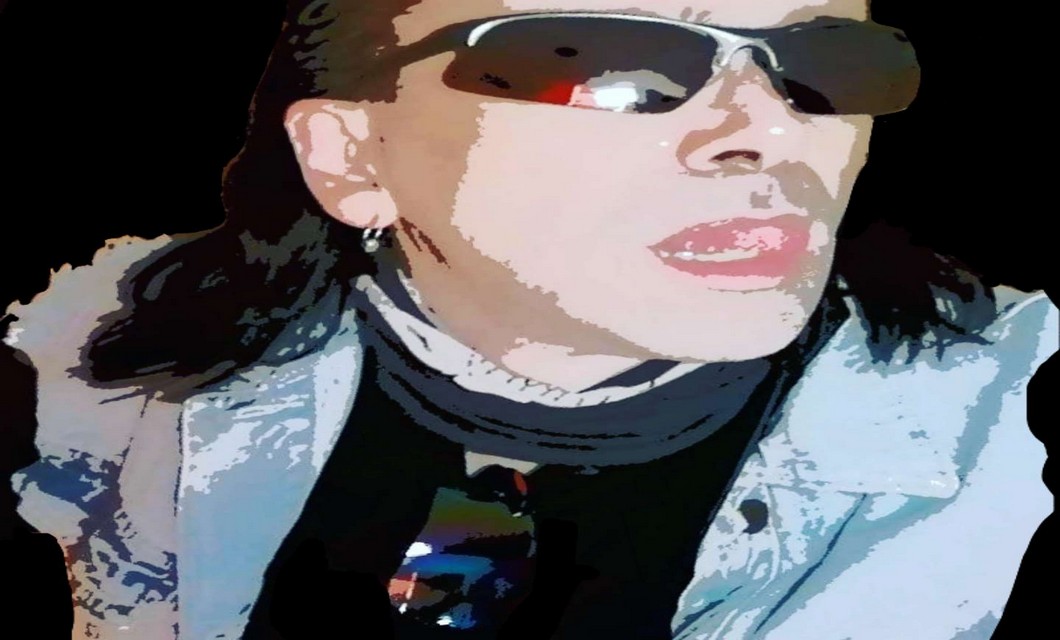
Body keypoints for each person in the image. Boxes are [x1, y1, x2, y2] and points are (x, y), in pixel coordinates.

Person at [0, 0, 1055, 638]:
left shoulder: (1012, 419)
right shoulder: (87, 354)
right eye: (604, 68)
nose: (768, 131)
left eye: (827, 66)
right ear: (352, 156)